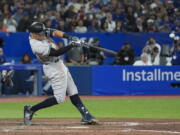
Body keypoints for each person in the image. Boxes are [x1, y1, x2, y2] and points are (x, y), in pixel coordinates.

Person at [24, 22, 98, 125]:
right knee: (59, 98)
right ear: (34, 34)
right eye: (40, 34)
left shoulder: (39, 30)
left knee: (73, 91)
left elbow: (54, 32)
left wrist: (70, 37)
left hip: (59, 64)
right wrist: (72, 44)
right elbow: (56, 52)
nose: (43, 34)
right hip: (52, 67)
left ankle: (86, 115)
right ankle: (31, 109)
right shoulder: (36, 45)